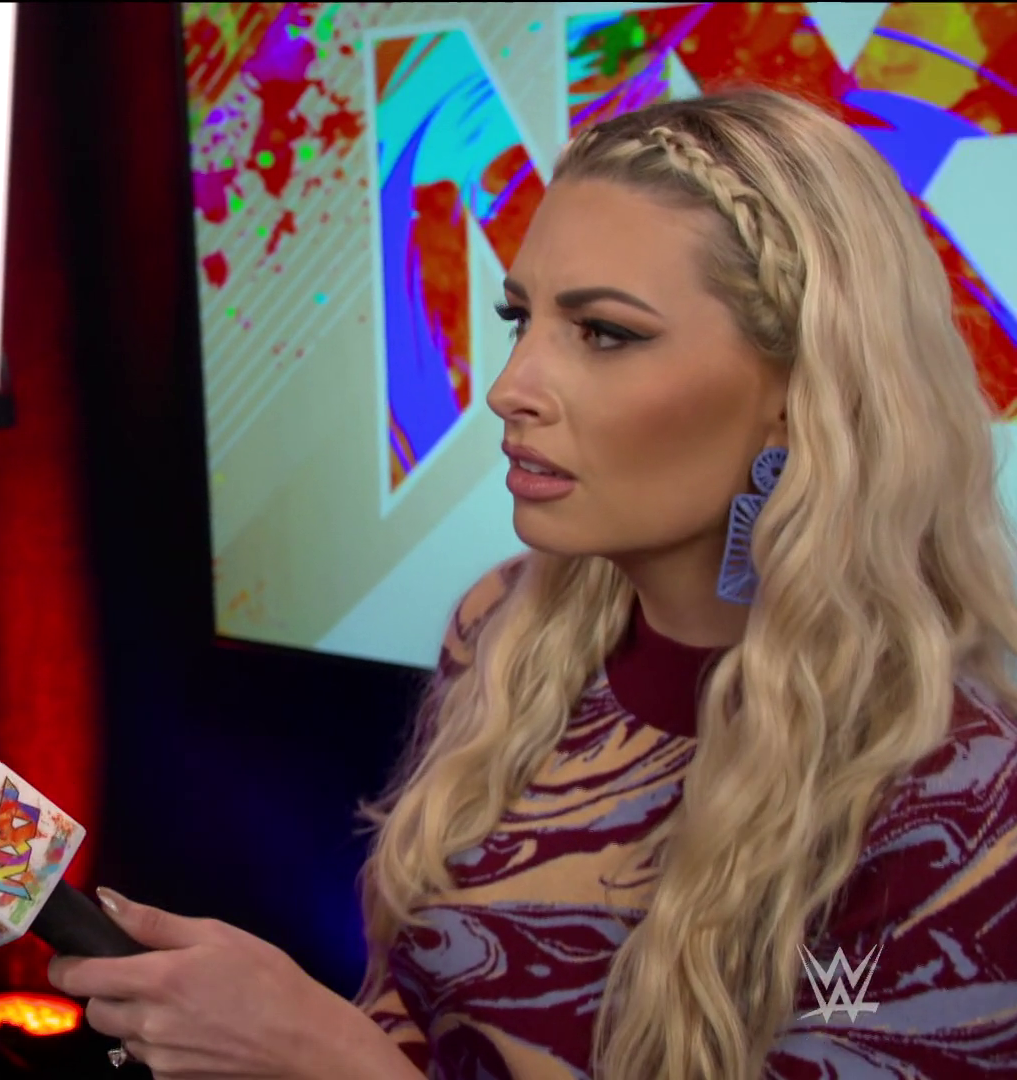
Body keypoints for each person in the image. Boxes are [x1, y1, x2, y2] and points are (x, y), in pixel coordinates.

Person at [50, 87, 1017, 1078]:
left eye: (604, 333)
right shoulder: (506, 629)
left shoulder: (958, 797)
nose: (510, 389)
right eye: (521, 318)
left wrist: (323, 1059)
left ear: (799, 387)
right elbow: (415, 1009)